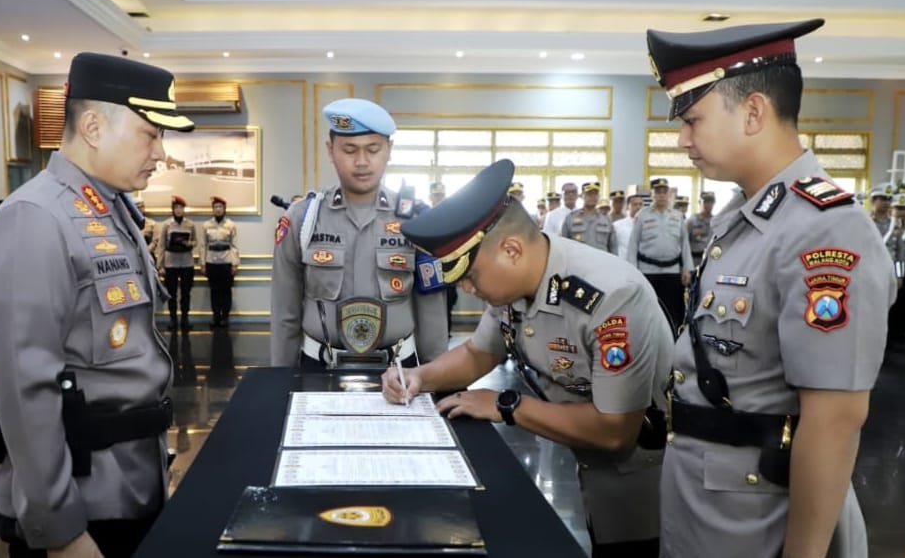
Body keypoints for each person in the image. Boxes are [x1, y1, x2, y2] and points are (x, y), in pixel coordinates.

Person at [647, 18, 896, 557]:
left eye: (693, 120)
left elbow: (835, 419)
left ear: (754, 111)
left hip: (756, 517)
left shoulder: (824, 229)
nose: (682, 139)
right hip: (709, 501)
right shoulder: (747, 217)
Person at [383, 159, 673, 557]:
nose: (467, 287)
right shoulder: (515, 285)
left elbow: (615, 431)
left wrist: (506, 404)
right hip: (588, 463)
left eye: (470, 275)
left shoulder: (611, 296)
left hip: (643, 481)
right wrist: (420, 376)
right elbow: (478, 352)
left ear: (512, 249)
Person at [0, 52, 194, 558]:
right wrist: (61, 530)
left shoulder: (109, 209)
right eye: (150, 133)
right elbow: (25, 392)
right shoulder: (34, 219)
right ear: (94, 126)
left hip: (132, 484)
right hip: (83, 505)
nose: (160, 152)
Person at [271, 98, 448, 369]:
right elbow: (285, 313)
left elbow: (432, 312)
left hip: (401, 371)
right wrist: (278, 381)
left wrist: (438, 381)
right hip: (319, 369)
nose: (362, 162)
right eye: (350, 150)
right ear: (331, 151)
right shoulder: (303, 218)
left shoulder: (417, 219)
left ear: (389, 150)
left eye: (373, 149)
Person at [626, 178, 693, 329]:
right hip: (648, 271)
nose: (661, 195)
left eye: (664, 192)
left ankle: (673, 337)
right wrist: (633, 271)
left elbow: (684, 244)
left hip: (672, 271)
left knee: (673, 309)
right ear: (652, 194)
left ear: (668, 194)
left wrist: (687, 269)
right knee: (649, 308)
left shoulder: (677, 216)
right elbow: (633, 244)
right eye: (658, 192)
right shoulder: (642, 216)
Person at [156, 195, 197, 330]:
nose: (178, 210)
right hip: (171, 262)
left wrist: (188, 243)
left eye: (181, 208)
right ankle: (173, 320)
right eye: (176, 208)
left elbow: (195, 242)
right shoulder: (167, 224)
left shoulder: (190, 224)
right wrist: (160, 265)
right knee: (171, 293)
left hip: (186, 262)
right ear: (172, 210)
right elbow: (161, 245)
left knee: (186, 293)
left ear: (184, 209)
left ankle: (185, 319)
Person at [200, 195, 239, 328]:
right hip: (212, 261)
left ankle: (225, 317)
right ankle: (216, 316)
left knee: (226, 291)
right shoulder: (206, 225)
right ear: (212, 209)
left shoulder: (230, 225)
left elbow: (234, 245)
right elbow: (203, 246)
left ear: (224, 209)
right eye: (215, 207)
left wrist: (235, 264)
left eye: (220, 207)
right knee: (214, 291)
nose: (218, 209)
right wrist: (202, 263)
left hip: (226, 261)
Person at [885, 192, 905, 348]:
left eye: (904, 208)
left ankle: (895, 335)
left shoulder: (903, 227)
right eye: (898, 208)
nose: (902, 211)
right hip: (879, 271)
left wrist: (899, 275)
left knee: (899, 305)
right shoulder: (882, 224)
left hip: (898, 271)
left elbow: (901, 253)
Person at [430, 181, 457, 332]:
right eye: (436, 196)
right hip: (429, 269)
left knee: (449, 301)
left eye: (441, 195)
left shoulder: (452, 218)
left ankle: (446, 333)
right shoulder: (424, 216)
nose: (439, 198)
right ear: (431, 197)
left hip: (448, 267)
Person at [561, 181, 617, 254]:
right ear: (582, 196)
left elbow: (613, 246)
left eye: (595, 194)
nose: (592, 197)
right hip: (578, 261)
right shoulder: (570, 218)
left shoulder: (606, 219)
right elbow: (564, 244)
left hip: (601, 262)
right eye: (589, 194)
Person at [686, 191, 715, 263]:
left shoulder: (716, 221)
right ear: (700, 203)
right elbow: (685, 243)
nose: (709, 205)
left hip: (711, 260)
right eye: (706, 202)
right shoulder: (691, 221)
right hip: (694, 259)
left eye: (711, 202)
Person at [615, 192, 645, 258]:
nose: (638, 207)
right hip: (623, 262)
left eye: (640, 204)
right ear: (628, 206)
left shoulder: (648, 225)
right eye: (635, 204)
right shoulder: (617, 225)